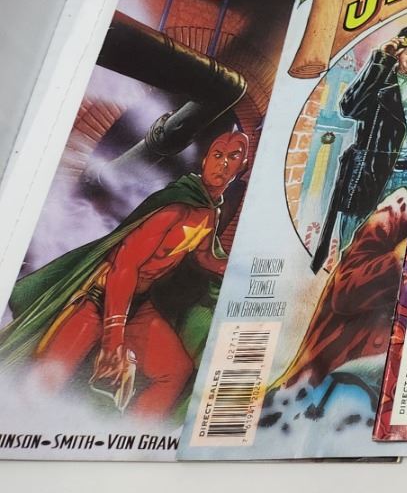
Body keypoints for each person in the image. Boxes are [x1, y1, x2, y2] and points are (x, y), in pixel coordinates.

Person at [0, 129, 250, 418]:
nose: (223, 163)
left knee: (175, 371)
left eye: (233, 157)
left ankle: (132, 438)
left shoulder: (208, 212)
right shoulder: (174, 209)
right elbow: (124, 266)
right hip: (99, 300)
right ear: (206, 160)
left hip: (139, 305)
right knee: (44, 382)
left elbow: (204, 255)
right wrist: (113, 337)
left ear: (242, 166)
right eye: (218, 155)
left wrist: (238, 270)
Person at [314, 23, 407, 272]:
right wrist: (381, 60)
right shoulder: (380, 81)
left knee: (399, 250)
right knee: (354, 246)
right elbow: (349, 108)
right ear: (398, 51)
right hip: (370, 173)